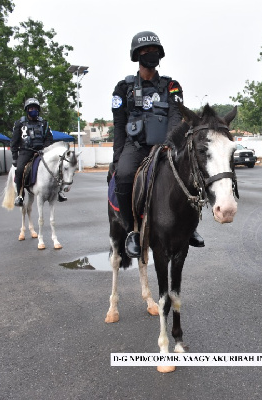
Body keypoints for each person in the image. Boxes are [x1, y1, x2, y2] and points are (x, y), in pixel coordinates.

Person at [111, 31, 205, 258]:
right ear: (136, 55)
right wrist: (116, 159)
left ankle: (190, 227)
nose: (149, 54)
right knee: (123, 175)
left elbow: (176, 116)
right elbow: (119, 125)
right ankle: (131, 230)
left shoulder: (172, 86)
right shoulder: (123, 88)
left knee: (191, 173)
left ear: (160, 54)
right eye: (144, 52)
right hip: (135, 146)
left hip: (165, 147)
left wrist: (167, 145)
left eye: (153, 51)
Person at [11, 97, 63, 207]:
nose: (33, 110)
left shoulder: (44, 123)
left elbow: (49, 138)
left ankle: (59, 192)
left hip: (41, 152)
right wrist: (15, 157)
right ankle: (20, 195)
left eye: (35, 108)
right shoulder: (20, 123)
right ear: (27, 110)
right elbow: (14, 141)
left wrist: (44, 149)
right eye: (31, 108)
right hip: (26, 151)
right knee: (20, 170)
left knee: (58, 166)